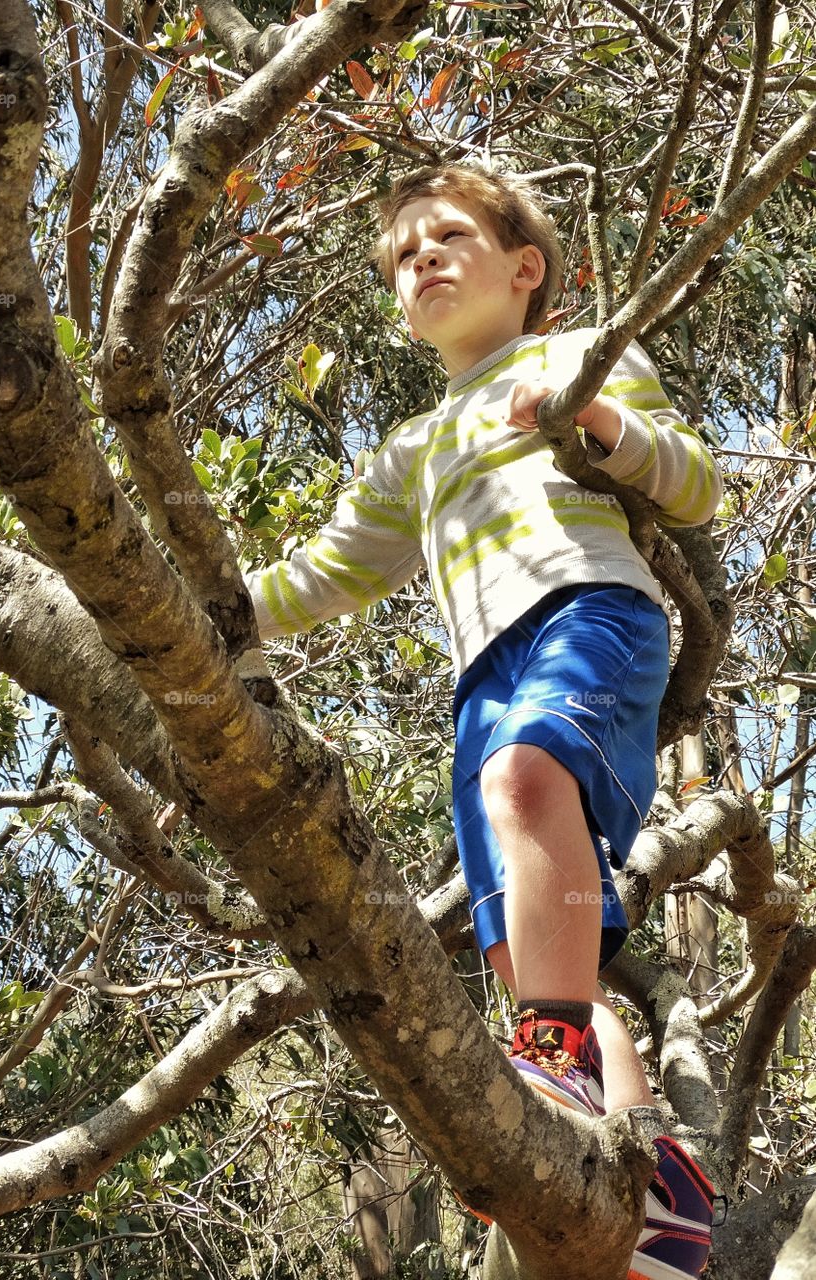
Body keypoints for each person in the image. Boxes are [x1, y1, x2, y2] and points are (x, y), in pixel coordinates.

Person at [245, 163, 719, 1280]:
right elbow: (324, 575)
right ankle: (662, 1184)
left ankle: (550, 1059)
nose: (423, 262)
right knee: (531, 957)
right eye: (403, 256)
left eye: (446, 237)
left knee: (525, 786)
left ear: (524, 267)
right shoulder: (412, 447)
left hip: (589, 610)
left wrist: (594, 420)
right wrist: (198, 605)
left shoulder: (574, 353)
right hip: (480, 676)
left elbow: (696, 485)